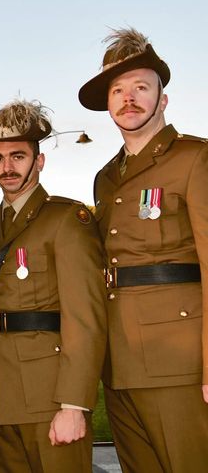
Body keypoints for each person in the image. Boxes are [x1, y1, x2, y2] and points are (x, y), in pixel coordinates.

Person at [78, 28, 208, 472]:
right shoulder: (106, 178)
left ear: (162, 99)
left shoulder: (194, 158)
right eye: (118, 90)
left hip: (178, 360)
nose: (128, 98)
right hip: (120, 362)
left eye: (140, 87)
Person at [0, 100, 106, 471]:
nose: (7, 167)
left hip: (50, 398)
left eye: (18, 156)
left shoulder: (66, 219)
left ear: (39, 161)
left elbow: (86, 318)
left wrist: (74, 404)